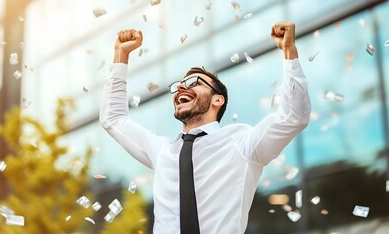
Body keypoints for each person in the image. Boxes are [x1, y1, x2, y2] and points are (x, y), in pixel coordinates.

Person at [100, 21, 311, 233]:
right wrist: (120, 55)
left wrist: (289, 53)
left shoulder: (242, 143)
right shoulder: (162, 150)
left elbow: (293, 117)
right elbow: (113, 118)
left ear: (217, 100)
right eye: (179, 85)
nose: (181, 86)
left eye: (194, 82)